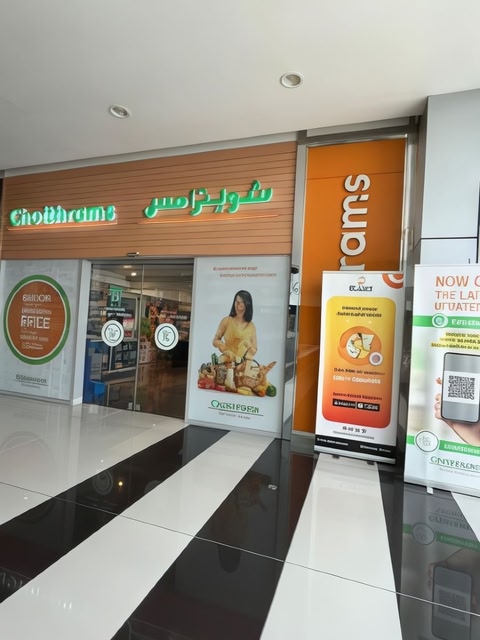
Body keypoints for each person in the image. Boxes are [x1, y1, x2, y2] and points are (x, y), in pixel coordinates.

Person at [212, 290, 257, 360]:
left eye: (242, 303)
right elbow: (215, 340)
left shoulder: (251, 326)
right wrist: (224, 347)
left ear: (247, 305)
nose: (239, 306)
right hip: (227, 361)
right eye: (237, 302)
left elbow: (254, 351)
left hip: (244, 364)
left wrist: (247, 345)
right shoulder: (226, 321)